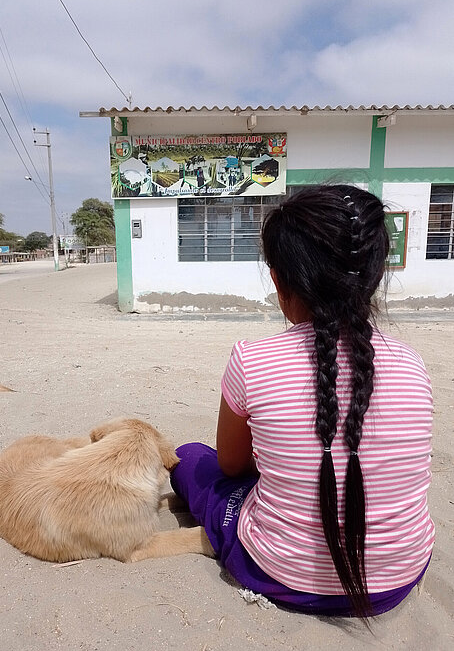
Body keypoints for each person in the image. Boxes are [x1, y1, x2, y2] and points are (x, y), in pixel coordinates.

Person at [171, 185, 434, 619]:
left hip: (278, 573)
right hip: (398, 578)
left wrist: (281, 457)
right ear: (374, 276)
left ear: (279, 279)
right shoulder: (412, 362)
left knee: (191, 458)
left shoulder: (251, 361)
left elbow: (233, 466)